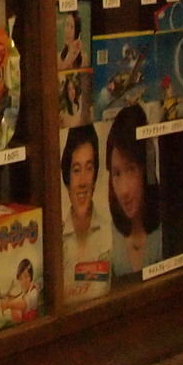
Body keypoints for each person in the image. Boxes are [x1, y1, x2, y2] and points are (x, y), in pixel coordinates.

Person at [106, 105, 162, 275]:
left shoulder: (167, 233)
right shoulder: (107, 239)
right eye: (116, 174)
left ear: (146, 169)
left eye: (131, 170)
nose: (123, 191)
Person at [60, 125, 111, 304]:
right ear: (67, 179)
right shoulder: (56, 238)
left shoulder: (109, 229)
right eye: (76, 170)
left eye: (89, 168)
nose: (82, 182)